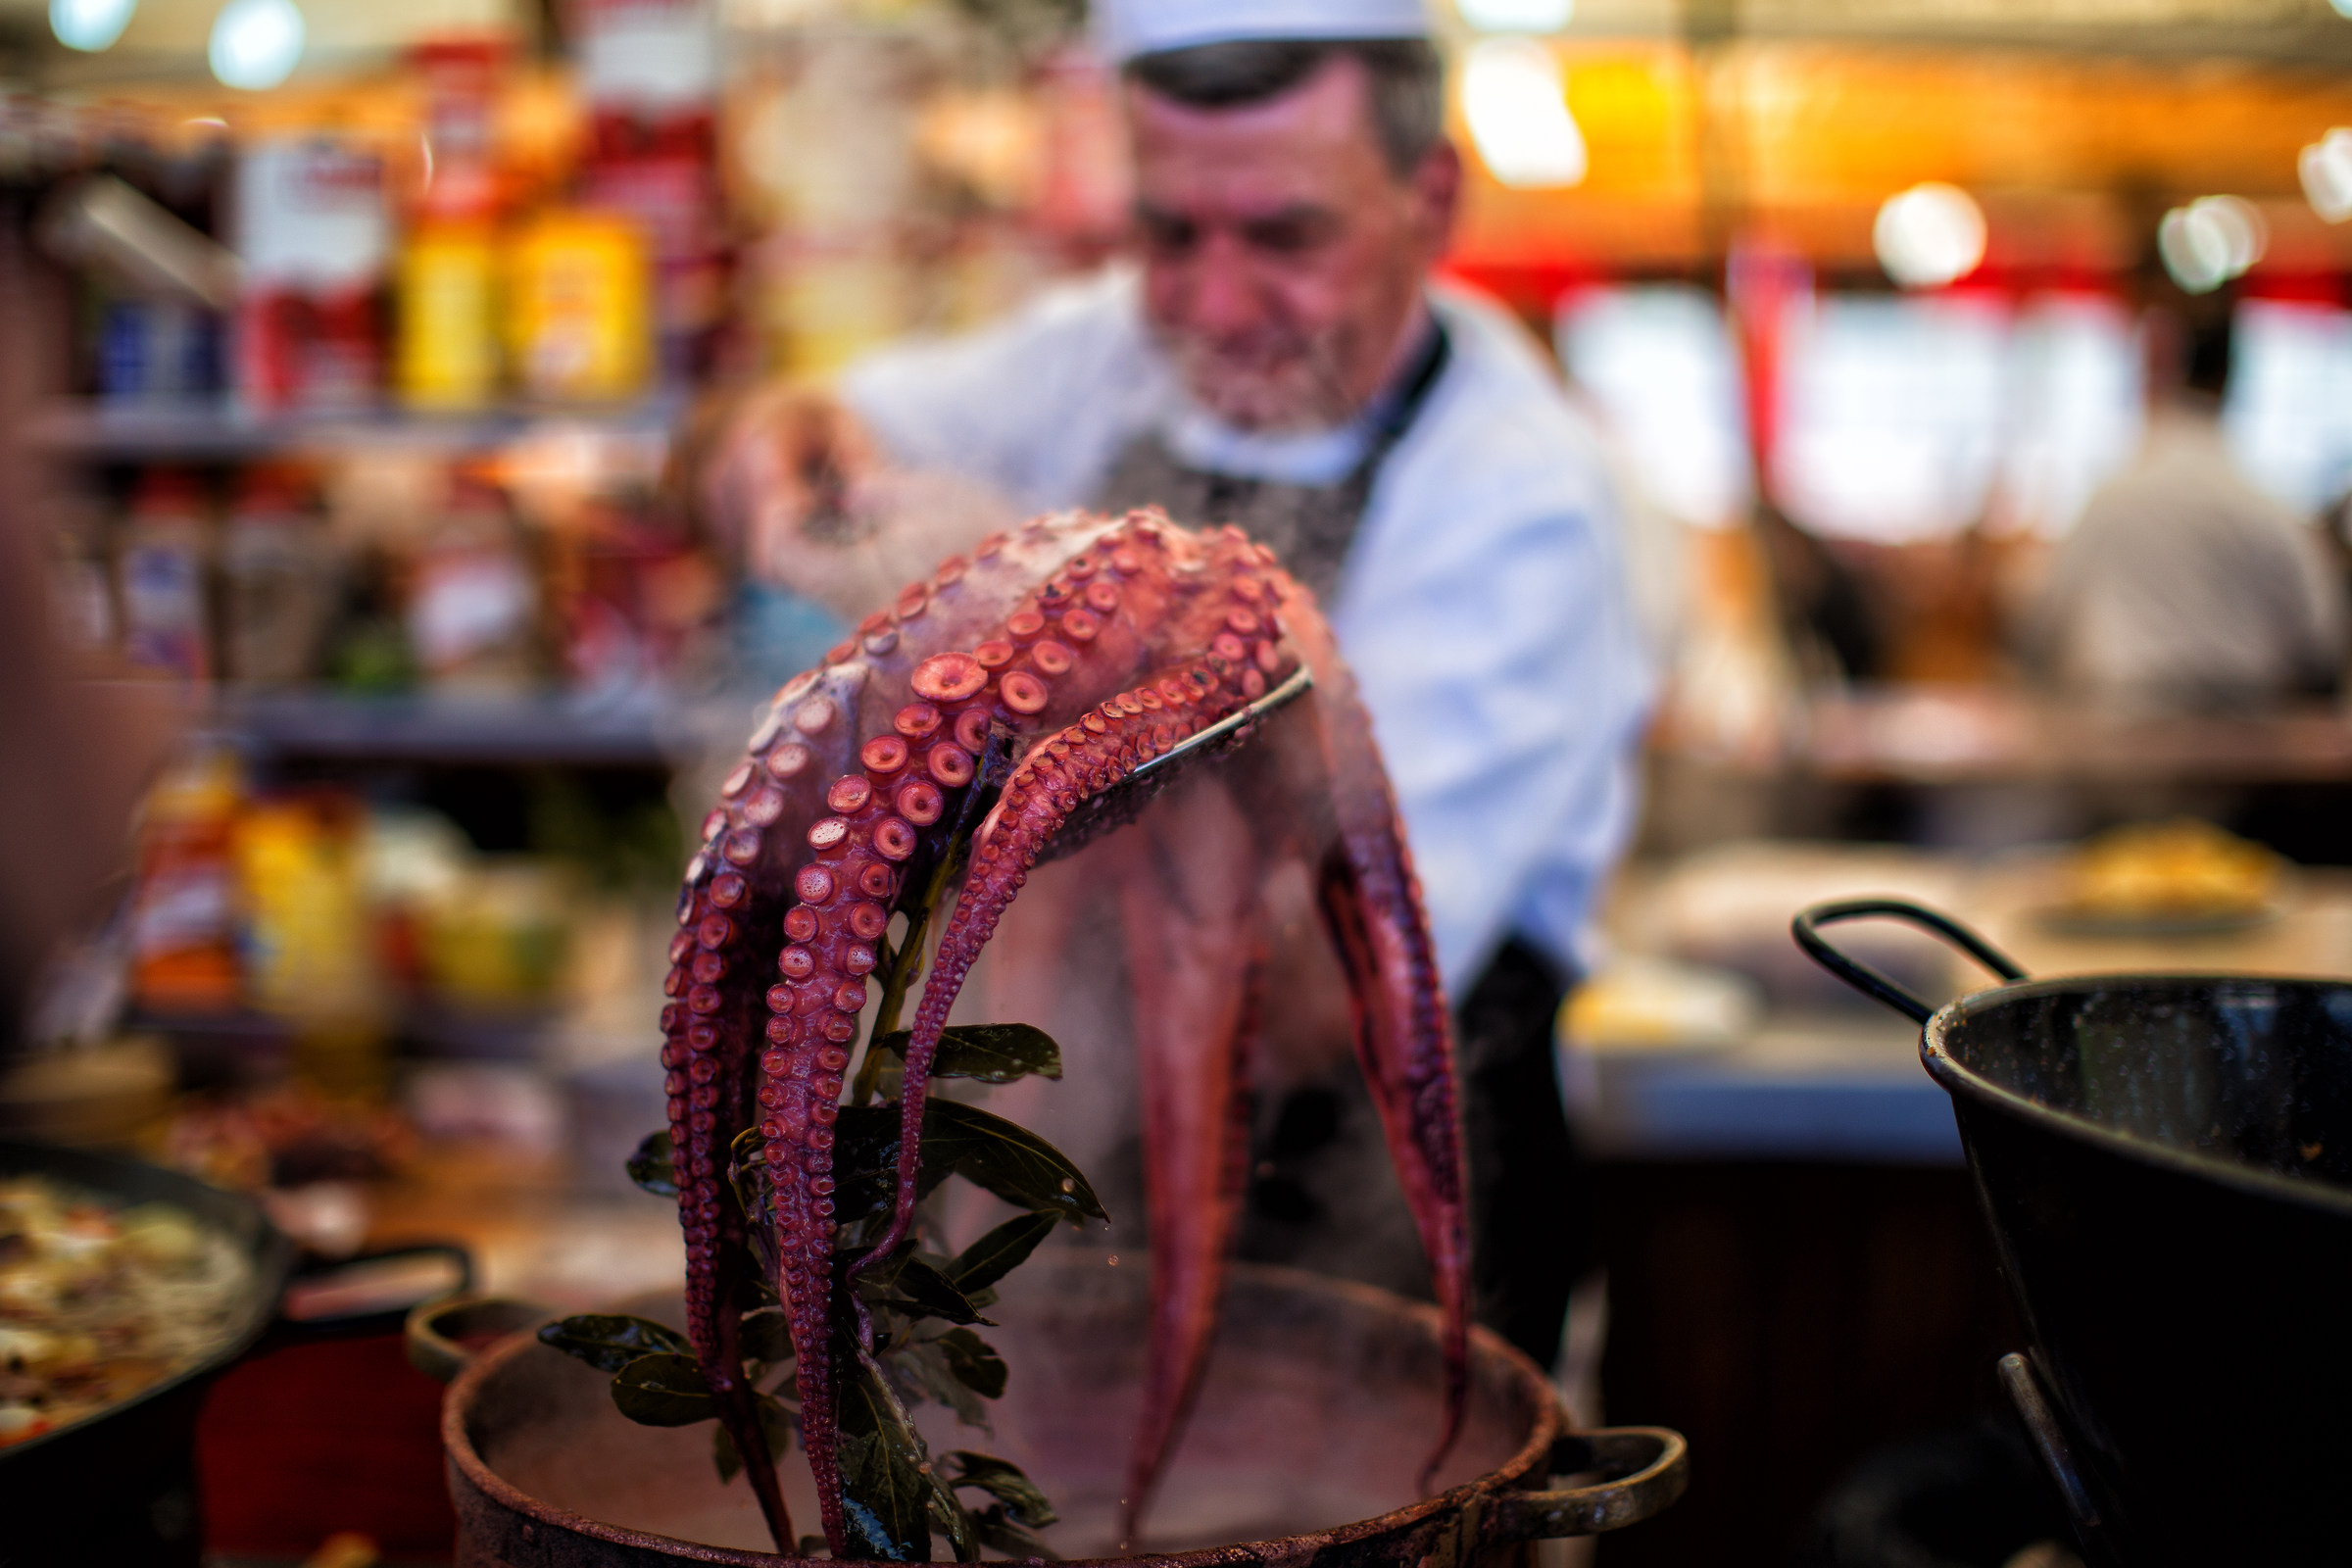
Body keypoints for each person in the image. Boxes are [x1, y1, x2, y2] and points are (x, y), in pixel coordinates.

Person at [696, 0, 1651, 1374]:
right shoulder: (1105, 349)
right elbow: (788, 426)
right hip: (1076, 1215)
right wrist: (766, 451)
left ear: (1429, 196)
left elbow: (1327, 991)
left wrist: (1088, 659)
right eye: (1167, 234)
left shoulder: (1522, 500)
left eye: (1287, 237)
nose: (1212, 303)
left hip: (1371, 1251)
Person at [2031, 300, 2347, 711]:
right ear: (2230, 383)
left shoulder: (2109, 501)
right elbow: (2322, 645)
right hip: (2246, 752)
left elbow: (2040, 628)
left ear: (2161, 375)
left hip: (2119, 750)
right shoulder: (2269, 511)